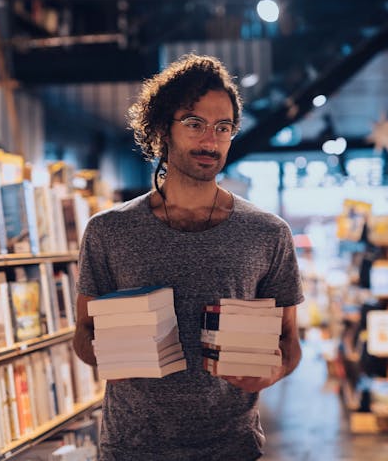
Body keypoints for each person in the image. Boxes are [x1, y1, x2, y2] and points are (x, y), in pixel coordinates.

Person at [73, 54, 304, 460]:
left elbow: (289, 343)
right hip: (132, 448)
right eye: (195, 124)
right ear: (163, 128)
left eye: (223, 127)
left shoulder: (269, 233)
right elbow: (82, 336)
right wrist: (112, 355)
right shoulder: (108, 230)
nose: (210, 141)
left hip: (231, 447)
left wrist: (273, 371)